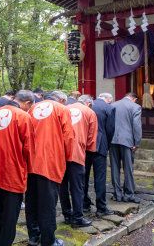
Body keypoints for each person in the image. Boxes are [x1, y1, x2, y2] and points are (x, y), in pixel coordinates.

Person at [25, 91, 74, 246]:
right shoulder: (62, 109)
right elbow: (68, 137)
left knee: (32, 200)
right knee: (48, 202)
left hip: (31, 161)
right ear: (60, 100)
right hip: (50, 161)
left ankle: (33, 236)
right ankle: (48, 240)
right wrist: (67, 158)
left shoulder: (32, 108)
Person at [0, 89, 35, 246]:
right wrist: (30, 169)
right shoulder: (23, 116)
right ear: (27, 103)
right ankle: (4, 242)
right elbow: (29, 148)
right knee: (11, 213)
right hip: (13, 171)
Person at [60, 95, 97, 227]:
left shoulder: (64, 108)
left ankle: (66, 214)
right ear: (89, 103)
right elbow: (91, 139)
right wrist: (88, 153)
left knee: (62, 185)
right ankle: (78, 217)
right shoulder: (90, 112)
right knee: (77, 186)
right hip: (77, 152)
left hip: (61, 152)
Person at [84, 93, 115, 217]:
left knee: (83, 177)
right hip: (100, 145)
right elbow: (110, 129)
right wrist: (107, 144)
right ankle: (101, 207)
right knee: (100, 178)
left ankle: (84, 204)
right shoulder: (108, 108)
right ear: (108, 99)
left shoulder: (86, 105)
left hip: (85, 145)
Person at [110, 92, 142, 203]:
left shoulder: (113, 105)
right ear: (134, 99)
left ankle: (117, 194)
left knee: (114, 168)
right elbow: (136, 126)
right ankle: (128, 194)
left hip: (113, 140)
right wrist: (137, 142)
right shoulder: (135, 107)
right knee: (128, 168)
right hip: (127, 141)